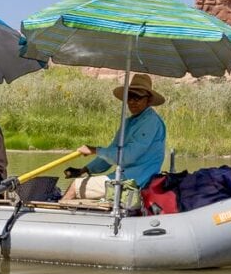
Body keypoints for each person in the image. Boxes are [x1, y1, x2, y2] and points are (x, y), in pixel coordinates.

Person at [60, 73, 166, 201]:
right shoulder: (129, 122)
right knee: (80, 182)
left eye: (137, 97)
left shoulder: (150, 122)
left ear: (148, 100)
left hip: (136, 181)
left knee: (76, 186)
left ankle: (54, 217)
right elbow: (112, 153)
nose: (132, 102)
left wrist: (95, 150)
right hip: (123, 178)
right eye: (130, 97)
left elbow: (127, 156)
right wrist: (84, 170)